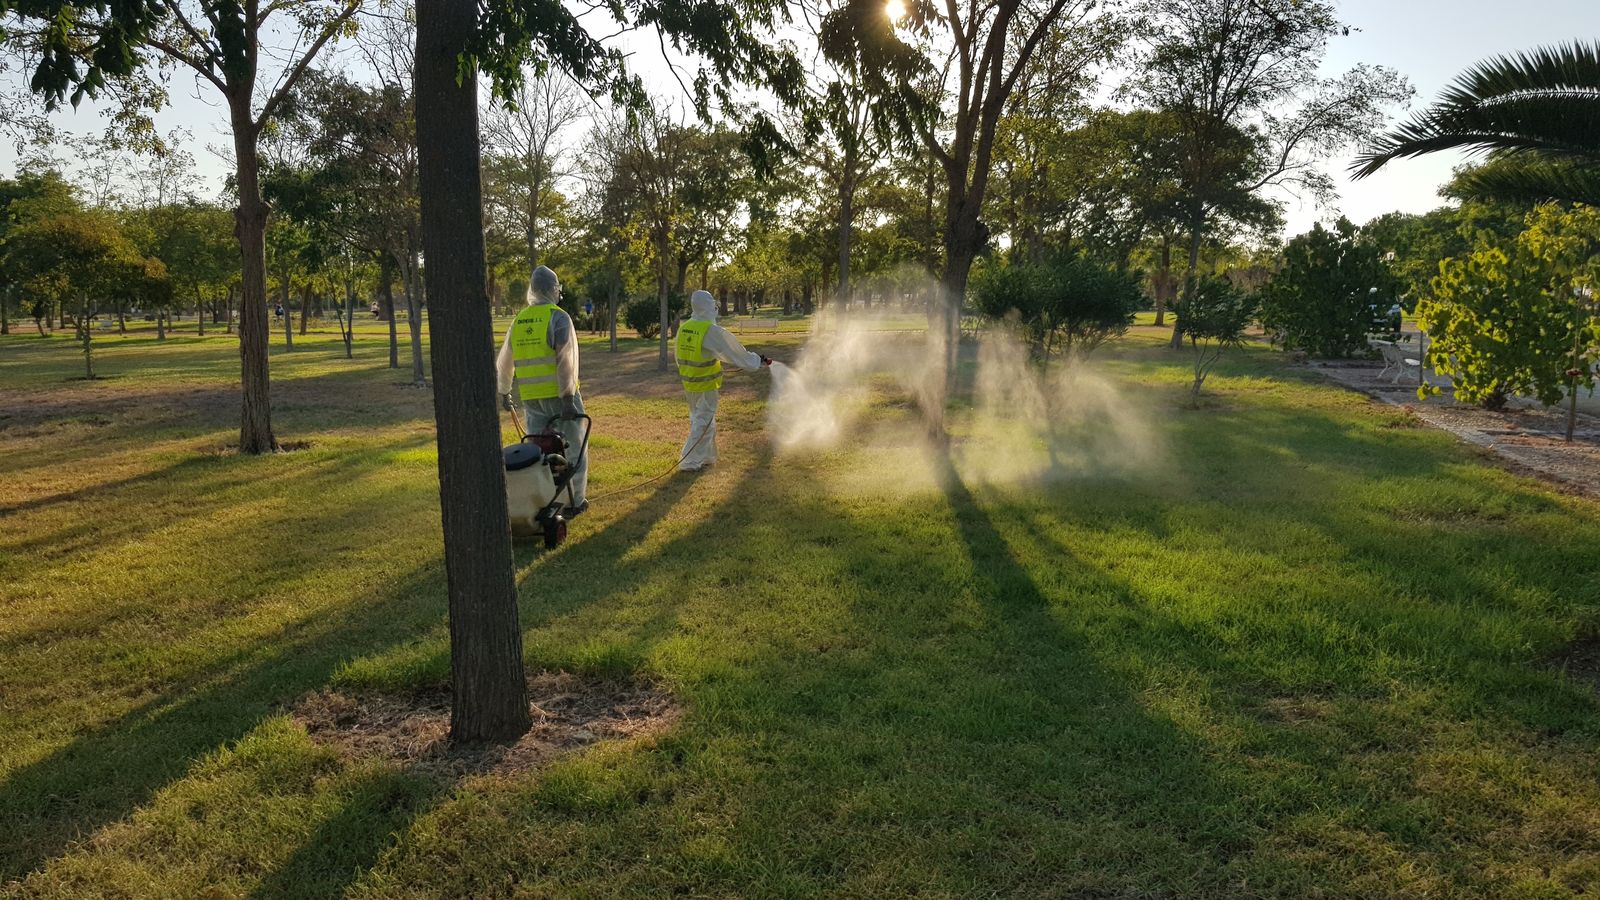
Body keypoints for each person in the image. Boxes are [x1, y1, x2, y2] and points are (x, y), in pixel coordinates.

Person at [497, 265, 588, 515]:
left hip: (532, 399)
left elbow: (505, 360)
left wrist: (504, 391)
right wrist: (568, 397)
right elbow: (566, 361)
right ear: (553, 289)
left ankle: (543, 497)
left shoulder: (519, 320)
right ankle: (575, 501)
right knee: (573, 448)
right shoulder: (558, 318)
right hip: (560, 398)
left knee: (538, 450)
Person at [675, 289, 773, 471]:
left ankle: (706, 457)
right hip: (705, 384)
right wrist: (756, 361)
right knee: (703, 422)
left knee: (702, 420)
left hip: (690, 383)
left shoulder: (686, 327)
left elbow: (682, 355)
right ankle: (688, 462)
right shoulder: (709, 330)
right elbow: (734, 352)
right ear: (708, 306)